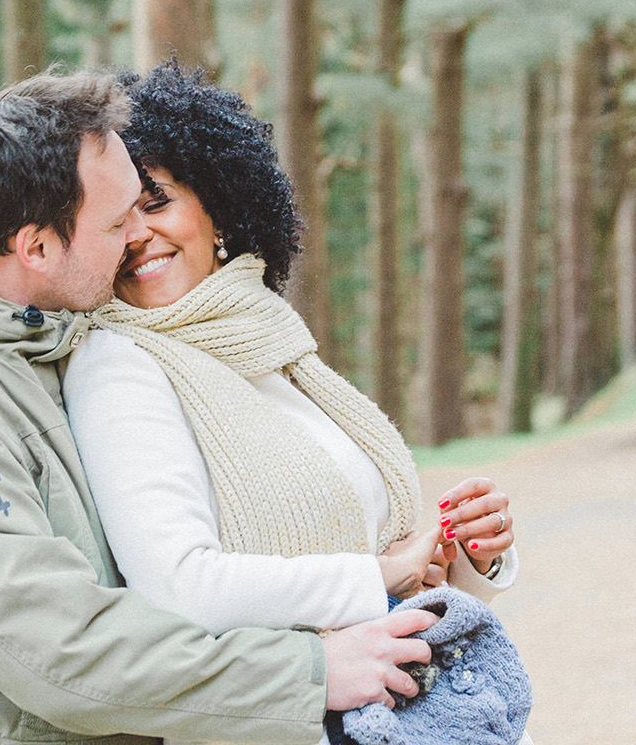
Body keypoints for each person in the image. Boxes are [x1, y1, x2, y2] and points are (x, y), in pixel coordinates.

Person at [0, 70, 441, 745]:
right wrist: (308, 673)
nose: (134, 237)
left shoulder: (39, 340)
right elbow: (63, 654)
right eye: (117, 219)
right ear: (36, 247)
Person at [62, 62, 529, 743]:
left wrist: (466, 558)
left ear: (218, 205)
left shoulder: (270, 340)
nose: (135, 235)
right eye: (113, 217)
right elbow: (180, 585)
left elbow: (384, 569)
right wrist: (377, 574)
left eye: (155, 201)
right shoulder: (119, 363)